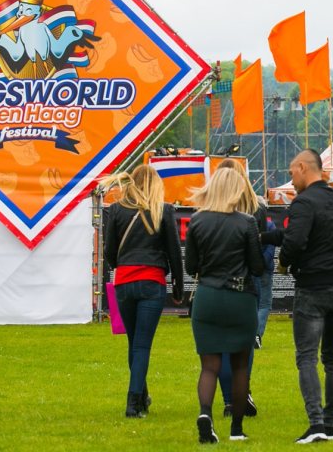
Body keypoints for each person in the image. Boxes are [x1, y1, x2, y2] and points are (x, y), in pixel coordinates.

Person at [185, 167, 268, 443]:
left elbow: (191, 266)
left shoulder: (196, 221)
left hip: (207, 296)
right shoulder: (246, 222)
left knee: (209, 365)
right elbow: (257, 267)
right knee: (240, 365)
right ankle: (236, 428)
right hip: (239, 297)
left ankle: (205, 413)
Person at [278, 150, 333, 444]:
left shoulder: (303, 203)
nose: (291, 179)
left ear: (302, 167)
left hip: (313, 286)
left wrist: (285, 262)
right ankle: (330, 424)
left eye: (291, 172)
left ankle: (316, 423)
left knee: (307, 356)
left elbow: (294, 242)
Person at [101, 164, 184, 418]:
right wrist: (178, 287)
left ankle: (142, 396)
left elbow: (110, 253)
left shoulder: (115, 210)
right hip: (152, 282)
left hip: (124, 282)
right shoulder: (164, 210)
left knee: (134, 343)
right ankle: (134, 400)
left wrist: (122, 266)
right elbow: (174, 253)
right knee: (142, 345)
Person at [212, 158, 271, 418]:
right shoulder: (256, 207)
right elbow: (256, 250)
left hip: (216, 281)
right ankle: (242, 391)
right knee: (244, 343)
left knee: (221, 344)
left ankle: (228, 399)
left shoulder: (210, 209)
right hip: (248, 281)